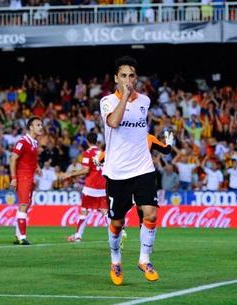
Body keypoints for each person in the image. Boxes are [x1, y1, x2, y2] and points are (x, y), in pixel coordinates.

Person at [100, 56, 159, 285]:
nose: (128, 79)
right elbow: (114, 122)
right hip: (117, 172)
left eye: (131, 76)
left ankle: (144, 259)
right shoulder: (107, 101)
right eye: (123, 75)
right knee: (117, 223)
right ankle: (116, 261)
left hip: (142, 167)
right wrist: (124, 97)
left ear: (136, 78)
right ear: (116, 78)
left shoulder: (145, 100)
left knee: (151, 213)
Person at [60, 132, 107, 243]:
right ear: (97, 141)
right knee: (105, 211)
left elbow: (86, 170)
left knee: (84, 210)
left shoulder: (88, 153)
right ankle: (116, 234)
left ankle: (78, 235)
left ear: (87, 141)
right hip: (102, 186)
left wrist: (70, 174)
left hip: (91, 187)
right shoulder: (102, 153)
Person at [10, 116, 43, 246]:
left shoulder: (33, 143)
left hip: (30, 178)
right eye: (38, 125)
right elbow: (13, 159)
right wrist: (13, 178)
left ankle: (18, 234)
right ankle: (22, 237)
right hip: (23, 178)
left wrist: (37, 167)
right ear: (31, 127)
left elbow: (30, 159)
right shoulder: (22, 142)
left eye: (41, 125)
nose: (41, 127)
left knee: (26, 205)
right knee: (23, 205)